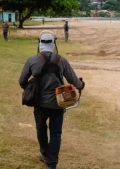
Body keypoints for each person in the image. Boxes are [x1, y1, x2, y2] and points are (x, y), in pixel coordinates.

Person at [19, 31, 85, 169]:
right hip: (58, 103)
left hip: (39, 104)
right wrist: (81, 85)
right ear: (53, 44)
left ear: (40, 43)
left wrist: (31, 89)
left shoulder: (32, 60)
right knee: (56, 133)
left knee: (41, 129)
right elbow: (73, 80)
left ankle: (44, 153)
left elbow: (22, 81)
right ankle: (52, 163)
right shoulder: (61, 60)